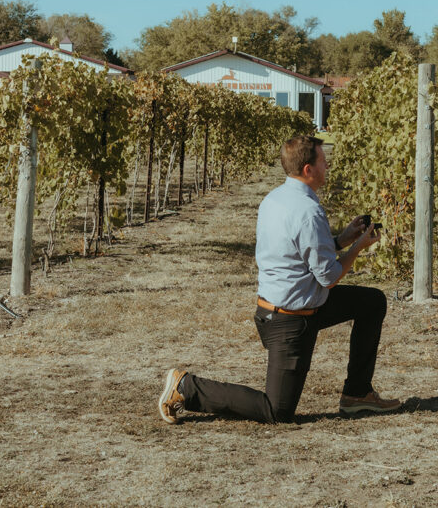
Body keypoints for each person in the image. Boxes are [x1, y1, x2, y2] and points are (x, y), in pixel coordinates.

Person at [158, 135, 401, 424]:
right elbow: (329, 277)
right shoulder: (308, 211)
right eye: (323, 161)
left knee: (371, 302)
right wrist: (358, 247)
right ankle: (186, 387)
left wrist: (341, 239)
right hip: (289, 322)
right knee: (277, 410)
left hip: (285, 307)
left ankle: (357, 394)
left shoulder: (274, 199)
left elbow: (297, 252)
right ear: (308, 170)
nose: (328, 165)